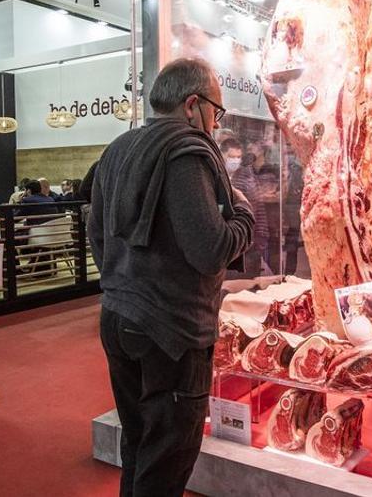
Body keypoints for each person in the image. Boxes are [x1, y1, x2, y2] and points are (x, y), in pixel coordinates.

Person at [89, 57, 255, 496]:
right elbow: (209, 249)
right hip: (172, 330)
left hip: (119, 316)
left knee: (139, 442)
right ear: (192, 104)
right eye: (217, 113)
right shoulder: (186, 151)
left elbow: (98, 238)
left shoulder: (118, 149)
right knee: (168, 455)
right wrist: (243, 215)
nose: (217, 125)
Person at [218, 138, 263, 279]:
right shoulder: (217, 177)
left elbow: (257, 208)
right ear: (222, 155)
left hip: (247, 239)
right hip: (226, 241)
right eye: (232, 157)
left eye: (238, 157)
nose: (235, 161)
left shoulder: (246, 178)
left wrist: (260, 236)